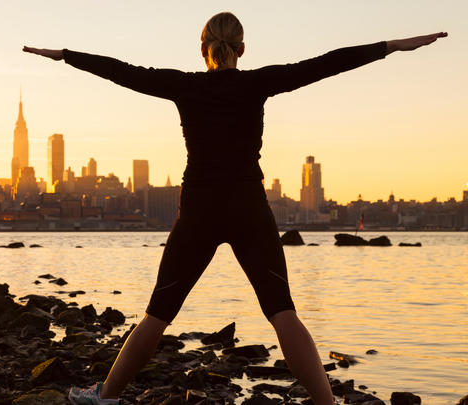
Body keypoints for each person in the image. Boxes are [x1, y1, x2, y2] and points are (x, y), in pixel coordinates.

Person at [24, 12, 446, 405]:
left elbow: (122, 72)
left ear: (201, 47)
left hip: (199, 212)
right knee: (282, 311)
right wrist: (393, 45)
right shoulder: (256, 83)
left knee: (159, 311)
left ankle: (106, 396)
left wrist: (64, 56)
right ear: (242, 50)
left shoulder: (185, 85)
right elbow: (327, 63)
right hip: (248, 207)